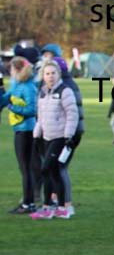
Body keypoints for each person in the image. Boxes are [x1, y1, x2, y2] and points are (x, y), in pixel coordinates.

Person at [31, 60, 78, 219]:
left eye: (53, 73)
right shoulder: (42, 92)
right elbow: (40, 116)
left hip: (60, 137)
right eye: (47, 73)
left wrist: (68, 136)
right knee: (52, 172)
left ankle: (52, 206)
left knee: (47, 169)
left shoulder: (65, 91)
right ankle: (55, 207)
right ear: (43, 76)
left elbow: (72, 114)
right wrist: (36, 134)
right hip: (46, 137)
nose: (50, 76)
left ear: (58, 74)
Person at [0, 57, 40, 214]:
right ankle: (27, 201)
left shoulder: (28, 87)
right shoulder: (17, 86)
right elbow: (3, 100)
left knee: (25, 168)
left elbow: (32, 110)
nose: (10, 73)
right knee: (24, 167)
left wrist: (13, 107)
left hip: (26, 131)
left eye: (10, 70)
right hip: (19, 129)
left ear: (16, 70)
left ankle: (28, 203)